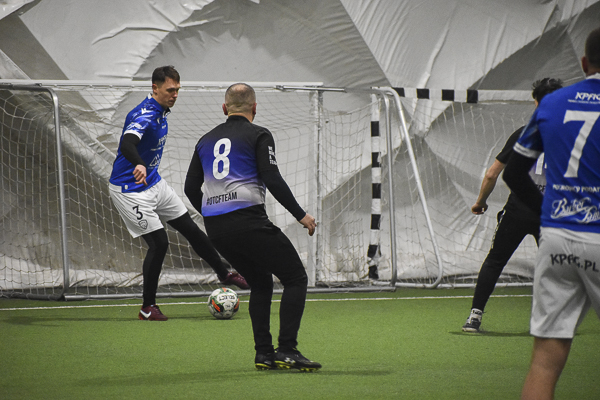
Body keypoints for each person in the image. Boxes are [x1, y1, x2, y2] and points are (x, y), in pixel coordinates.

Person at [184, 83, 321, 371]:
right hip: (248, 222)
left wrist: (212, 213)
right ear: (254, 108)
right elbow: (271, 177)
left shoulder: (204, 141)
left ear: (224, 108)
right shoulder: (259, 134)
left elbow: (189, 188)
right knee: (295, 277)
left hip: (217, 230)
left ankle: (264, 354)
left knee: (261, 283)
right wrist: (301, 215)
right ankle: (287, 350)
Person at [503, 27, 600, 400]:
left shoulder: (551, 104)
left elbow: (513, 173)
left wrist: (548, 210)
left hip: (557, 239)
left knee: (544, 363)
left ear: (584, 62)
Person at [109, 66, 249, 322]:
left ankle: (224, 274)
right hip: (130, 190)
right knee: (159, 243)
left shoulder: (161, 111)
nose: (175, 95)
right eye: (170, 90)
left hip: (153, 183)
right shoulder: (144, 114)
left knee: (191, 228)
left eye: (177, 90)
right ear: (155, 88)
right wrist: (138, 162)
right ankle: (147, 308)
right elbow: (127, 143)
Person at [462, 78, 563, 332]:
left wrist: (480, 202)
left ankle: (474, 316)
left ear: (536, 103)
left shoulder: (523, 134)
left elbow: (492, 174)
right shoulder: (571, 136)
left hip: (518, 210)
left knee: (495, 261)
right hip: (549, 213)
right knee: (556, 267)